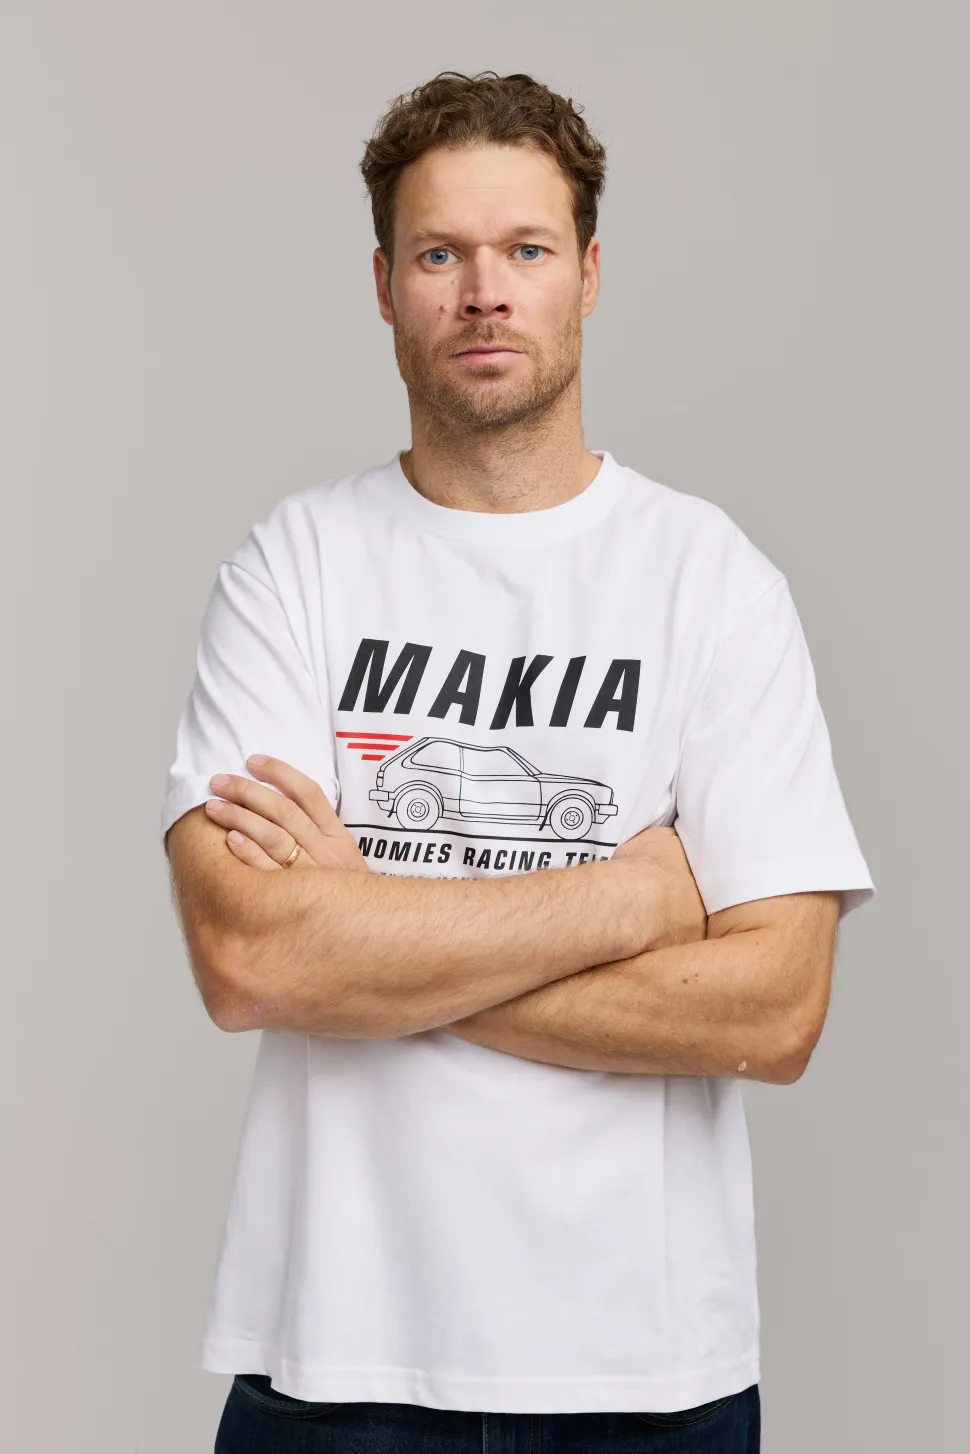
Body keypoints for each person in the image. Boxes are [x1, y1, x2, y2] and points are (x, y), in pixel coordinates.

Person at [161, 69, 874, 1454]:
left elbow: (775, 1008)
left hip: (647, 1381)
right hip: (336, 1364)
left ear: (587, 275)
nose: (485, 293)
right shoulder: (293, 566)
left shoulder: (709, 579)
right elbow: (251, 959)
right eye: (440, 255)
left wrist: (367, 939)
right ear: (384, 286)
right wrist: (630, 896)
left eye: (526, 251)